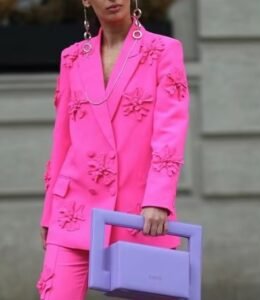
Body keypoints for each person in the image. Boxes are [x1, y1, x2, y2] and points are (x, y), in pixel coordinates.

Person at [36, 0, 190, 299]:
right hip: (73, 210)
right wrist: (49, 214)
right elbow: (62, 140)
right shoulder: (72, 58)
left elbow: (170, 131)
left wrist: (158, 199)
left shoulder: (164, 51)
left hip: (140, 211)